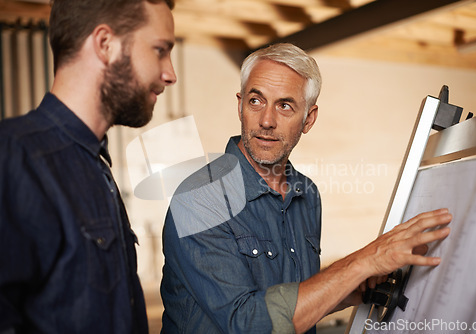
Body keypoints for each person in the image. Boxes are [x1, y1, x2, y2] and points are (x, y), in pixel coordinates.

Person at [160, 43, 452, 333]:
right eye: (256, 101)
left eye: (284, 105)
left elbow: (294, 302)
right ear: (240, 105)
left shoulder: (306, 194)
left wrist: (351, 288)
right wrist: (364, 261)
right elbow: (248, 323)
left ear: (308, 119)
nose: (266, 121)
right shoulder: (199, 198)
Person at [0, 0, 176, 332]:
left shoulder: (95, 163)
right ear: (105, 44)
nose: (170, 74)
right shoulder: (14, 158)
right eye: (159, 50)